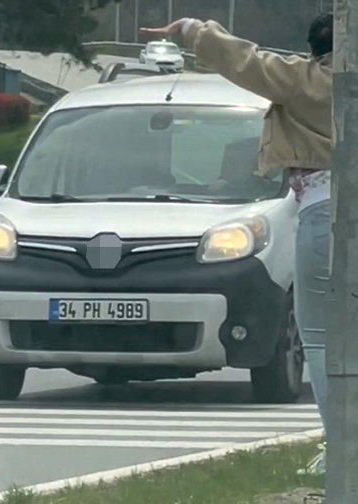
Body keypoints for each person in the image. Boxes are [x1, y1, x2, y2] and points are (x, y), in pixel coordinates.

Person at [140, 14, 334, 475]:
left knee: (322, 338)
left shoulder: (309, 81)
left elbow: (245, 60)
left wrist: (193, 29)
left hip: (326, 208)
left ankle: (344, 445)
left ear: (316, 51)